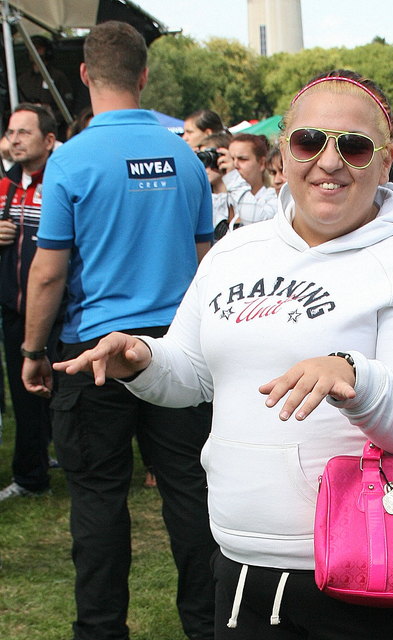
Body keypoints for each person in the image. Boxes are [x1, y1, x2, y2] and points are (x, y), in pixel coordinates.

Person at [53, 69, 393, 640]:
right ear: (284, 153)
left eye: (353, 147)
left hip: (378, 571)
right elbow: (193, 374)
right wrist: (143, 359)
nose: (329, 162)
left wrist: (355, 377)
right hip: (242, 561)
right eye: (309, 142)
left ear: (384, 163)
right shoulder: (236, 251)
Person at [21, 21, 216, 640]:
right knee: (191, 492)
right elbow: (206, 260)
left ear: (84, 74)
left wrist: (32, 350)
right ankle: (209, 626)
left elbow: (48, 272)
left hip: (93, 352)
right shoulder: (184, 157)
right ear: (144, 76)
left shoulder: (71, 159)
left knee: (98, 497)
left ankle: (101, 630)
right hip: (176, 347)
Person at [0, 103, 60, 501]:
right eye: (11, 132)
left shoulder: (61, 183)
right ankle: (30, 475)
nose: (15, 140)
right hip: (13, 308)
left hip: (59, 309)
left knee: (63, 392)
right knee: (24, 396)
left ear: (49, 140)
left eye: (24, 132)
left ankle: (71, 460)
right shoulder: (4, 185)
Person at [18, 35, 74, 140]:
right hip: (28, 130)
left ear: (47, 51)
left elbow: (68, 105)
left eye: (38, 48)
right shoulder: (23, 79)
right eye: (32, 48)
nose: (34, 51)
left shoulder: (58, 76)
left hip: (55, 130)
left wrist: (50, 117)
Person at [217, 132, 278, 226]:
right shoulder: (224, 200)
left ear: (262, 163)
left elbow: (257, 222)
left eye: (242, 159)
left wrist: (232, 177)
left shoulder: (275, 197)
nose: (234, 165)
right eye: (231, 159)